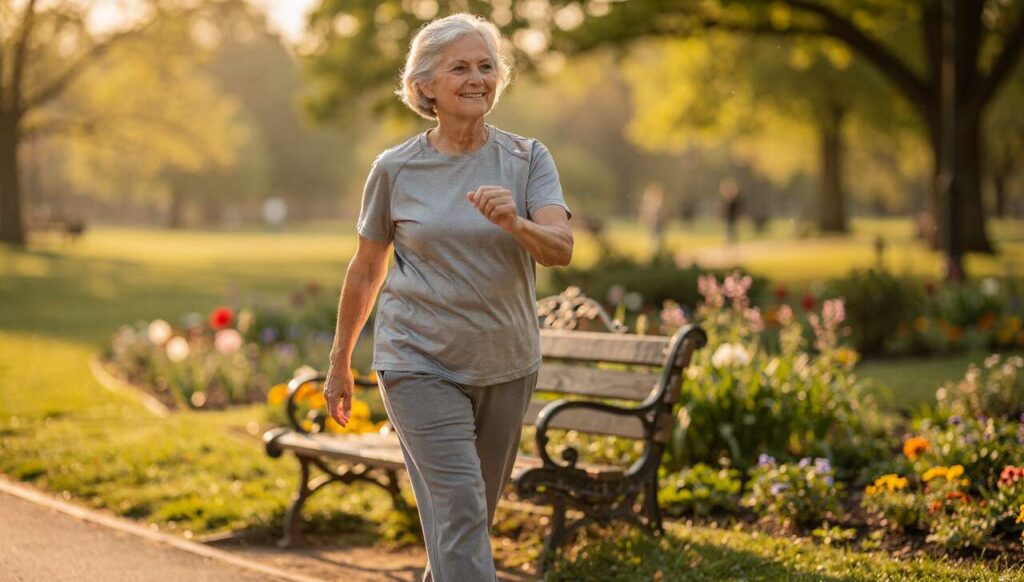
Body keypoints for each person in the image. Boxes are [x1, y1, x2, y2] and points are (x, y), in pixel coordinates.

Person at [321, 13, 573, 582]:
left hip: (506, 363)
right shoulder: (396, 168)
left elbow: (560, 248)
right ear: (426, 84)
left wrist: (517, 223)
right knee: (460, 512)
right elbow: (366, 270)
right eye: (459, 67)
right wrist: (339, 362)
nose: (477, 78)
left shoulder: (527, 158)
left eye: (487, 66)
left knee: (467, 525)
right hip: (418, 361)